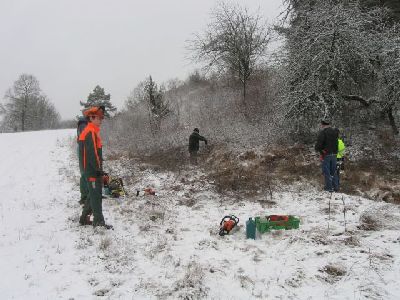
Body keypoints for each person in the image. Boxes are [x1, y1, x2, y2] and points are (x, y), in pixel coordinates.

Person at [78, 106, 112, 229]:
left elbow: (95, 153)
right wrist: (98, 170)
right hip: (91, 170)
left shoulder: (92, 131)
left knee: (93, 194)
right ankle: (99, 222)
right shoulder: (90, 132)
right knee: (96, 196)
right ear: (91, 118)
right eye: (99, 118)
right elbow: (92, 154)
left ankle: (83, 219)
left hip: (92, 169)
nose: (101, 120)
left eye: (101, 118)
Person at [315, 119, 339, 192]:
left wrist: (318, 149)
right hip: (334, 154)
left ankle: (329, 188)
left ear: (323, 125)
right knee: (334, 171)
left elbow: (319, 143)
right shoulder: (335, 131)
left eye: (321, 125)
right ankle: (336, 187)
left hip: (326, 154)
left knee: (327, 171)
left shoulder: (323, 133)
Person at [77, 116, 88, 205]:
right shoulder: (84, 125)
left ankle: (84, 196)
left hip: (81, 149)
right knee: (84, 174)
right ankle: (84, 197)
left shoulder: (81, 124)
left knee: (83, 173)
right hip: (83, 150)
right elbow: (85, 139)